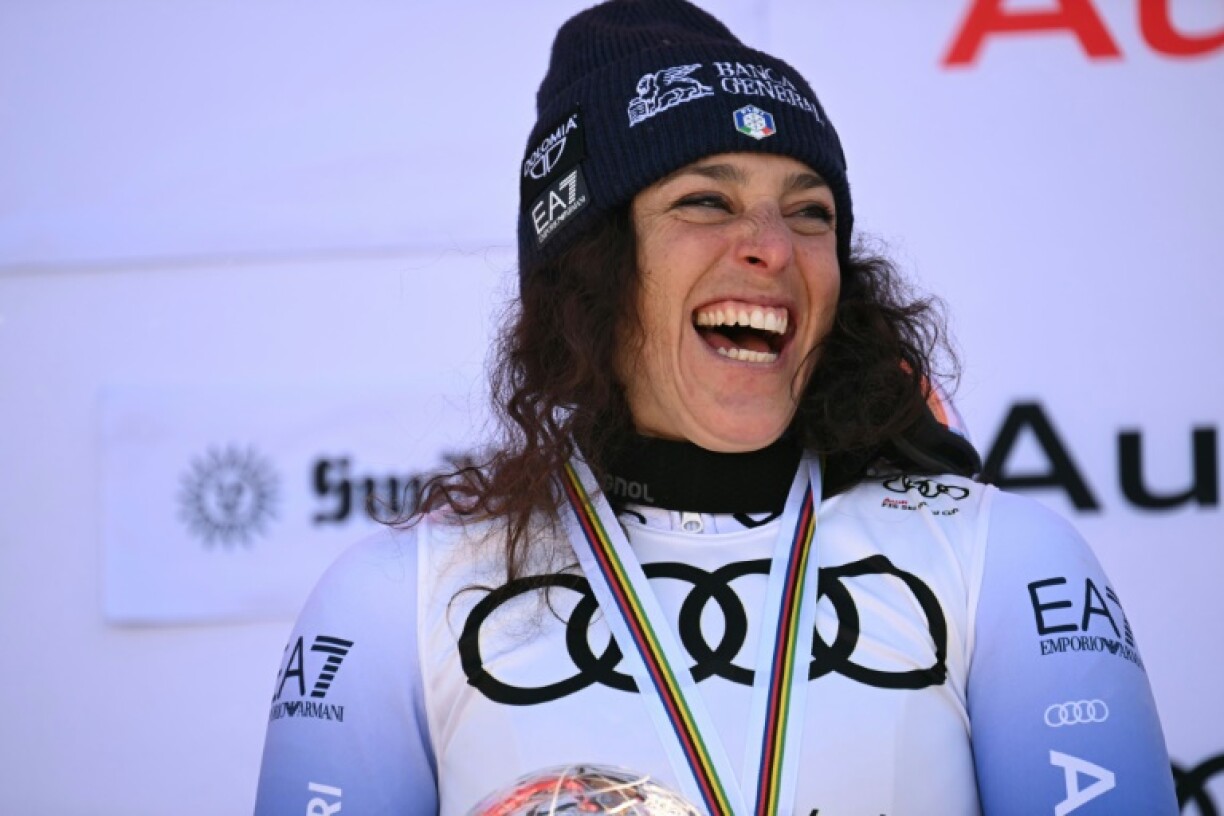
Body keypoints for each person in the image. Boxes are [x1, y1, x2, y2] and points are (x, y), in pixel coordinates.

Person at [254, 1, 1179, 813]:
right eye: (706, 201)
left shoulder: (1001, 559)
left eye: (810, 211)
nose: (771, 247)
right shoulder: (393, 603)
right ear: (592, 271)